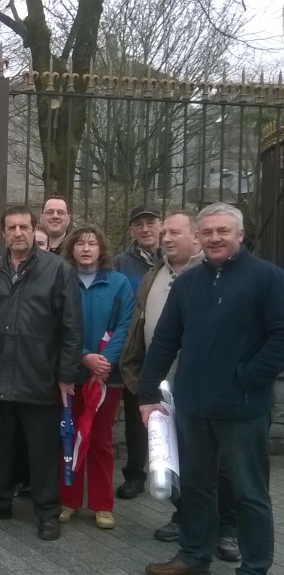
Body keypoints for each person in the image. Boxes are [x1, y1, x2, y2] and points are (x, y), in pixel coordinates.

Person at [138, 203, 284, 575]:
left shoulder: (267, 277)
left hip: (243, 407)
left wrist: (249, 377)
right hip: (193, 407)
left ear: (240, 234)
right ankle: (192, 557)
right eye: (208, 232)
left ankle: (254, 567)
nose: (215, 238)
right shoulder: (188, 282)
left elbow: (280, 336)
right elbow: (164, 341)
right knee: (197, 487)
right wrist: (147, 394)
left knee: (248, 492)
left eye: (223, 231)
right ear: (199, 238)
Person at [119, 211, 241, 561]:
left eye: (175, 233)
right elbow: (139, 323)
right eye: (165, 233)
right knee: (171, 455)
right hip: (161, 381)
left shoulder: (212, 275)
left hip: (206, 385)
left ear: (196, 238)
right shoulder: (155, 274)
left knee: (217, 462)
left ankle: (228, 527)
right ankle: (186, 516)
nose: (167, 238)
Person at [0, 205, 81, 542]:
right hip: (0, 373)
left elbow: (72, 327)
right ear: (3, 233)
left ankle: (47, 512)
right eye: (11, 228)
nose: (18, 233)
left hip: (40, 375)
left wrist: (65, 374)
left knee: (42, 451)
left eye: (24, 227)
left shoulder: (58, 269)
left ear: (35, 230)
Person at [56, 225, 134, 530]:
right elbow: (58, 325)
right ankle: (68, 499)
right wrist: (83, 355)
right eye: (80, 244)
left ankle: (102, 504)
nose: (86, 249)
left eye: (92, 243)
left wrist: (104, 362)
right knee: (68, 437)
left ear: (101, 249)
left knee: (100, 441)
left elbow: (125, 324)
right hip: (70, 372)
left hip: (105, 378)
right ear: (71, 249)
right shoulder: (62, 281)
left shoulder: (119, 283)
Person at [114, 204, 163, 501]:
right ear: (132, 230)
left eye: (150, 223)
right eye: (139, 224)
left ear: (161, 225)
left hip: (170, 350)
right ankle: (135, 474)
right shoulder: (122, 263)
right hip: (135, 351)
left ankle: (173, 474)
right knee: (136, 417)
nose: (145, 229)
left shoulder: (173, 257)